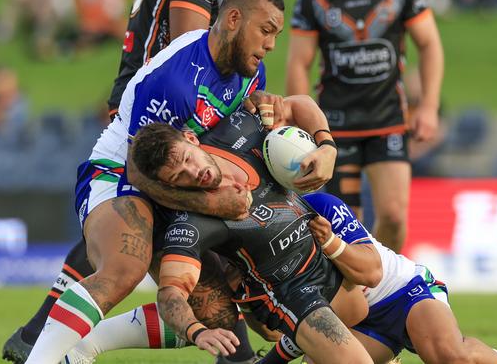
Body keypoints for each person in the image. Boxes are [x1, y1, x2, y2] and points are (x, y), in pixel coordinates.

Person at [23, 0, 336, 364]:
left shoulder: (251, 74)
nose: (270, 45)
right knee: (126, 266)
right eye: (266, 31)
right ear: (233, 19)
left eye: (276, 35)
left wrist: (305, 136)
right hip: (119, 173)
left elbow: (231, 141)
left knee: (215, 311)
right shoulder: (176, 78)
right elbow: (140, 170)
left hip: (182, 185)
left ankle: (83, 347)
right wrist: (214, 205)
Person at [2, 0, 226, 363]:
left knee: (206, 295)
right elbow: (191, 51)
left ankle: (48, 336)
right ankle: (45, 341)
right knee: (127, 259)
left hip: (153, 103)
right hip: (156, 114)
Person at [129, 116, 380, 363]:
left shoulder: (240, 133)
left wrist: (327, 146)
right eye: (178, 177)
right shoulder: (193, 223)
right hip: (291, 295)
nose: (194, 173)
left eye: (187, 159)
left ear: (191, 139)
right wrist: (197, 330)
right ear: (168, 187)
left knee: (374, 303)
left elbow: (299, 104)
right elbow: (170, 293)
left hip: (327, 263)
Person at [257, 193, 497, 364]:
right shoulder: (253, 254)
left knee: (450, 357)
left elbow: (371, 274)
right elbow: (287, 327)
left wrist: (329, 241)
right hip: (361, 322)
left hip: (404, 290)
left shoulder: (320, 206)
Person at [286, 0, 444, 253]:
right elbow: (299, 62)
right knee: (347, 224)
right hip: (337, 128)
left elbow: (429, 43)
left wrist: (429, 105)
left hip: (388, 121)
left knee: (394, 216)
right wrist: (303, 122)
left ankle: (380, 283)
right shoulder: (313, 3)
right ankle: (354, 289)